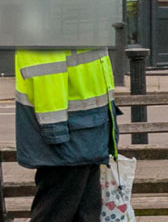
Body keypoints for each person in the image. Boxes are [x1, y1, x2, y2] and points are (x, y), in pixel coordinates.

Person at [15, 48, 115, 222]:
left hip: (85, 133)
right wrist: (55, 132)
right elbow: (47, 73)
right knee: (57, 213)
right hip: (70, 137)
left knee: (84, 214)